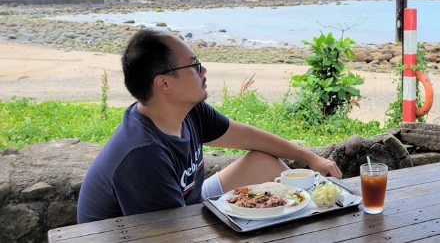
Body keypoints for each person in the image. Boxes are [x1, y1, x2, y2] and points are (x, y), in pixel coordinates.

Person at [76, 28, 342, 223]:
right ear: (164, 84)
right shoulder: (142, 154)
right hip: (148, 232)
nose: (204, 72)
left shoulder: (190, 112)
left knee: (263, 162)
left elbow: (248, 137)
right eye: (195, 66)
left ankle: (305, 225)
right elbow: (173, 233)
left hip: (186, 205)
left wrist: (310, 157)